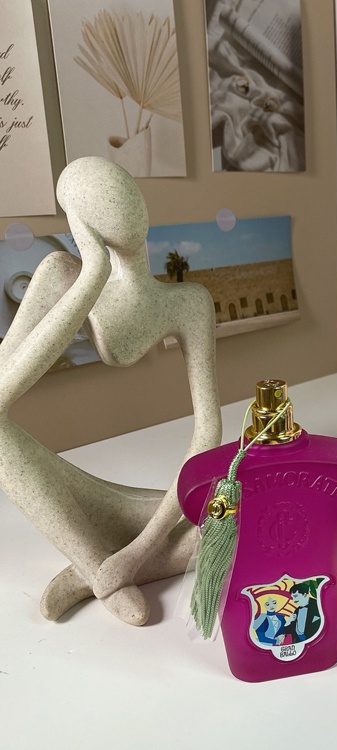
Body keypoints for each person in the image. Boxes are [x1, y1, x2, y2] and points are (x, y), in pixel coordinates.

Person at [0, 157, 222, 625]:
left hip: (147, 509)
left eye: (126, 193)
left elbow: (207, 434)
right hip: (75, 495)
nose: (127, 208)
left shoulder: (188, 302)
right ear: (80, 221)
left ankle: (95, 572)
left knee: (236, 522)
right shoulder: (62, 274)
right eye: (107, 199)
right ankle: (96, 565)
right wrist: (91, 273)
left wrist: (136, 553)